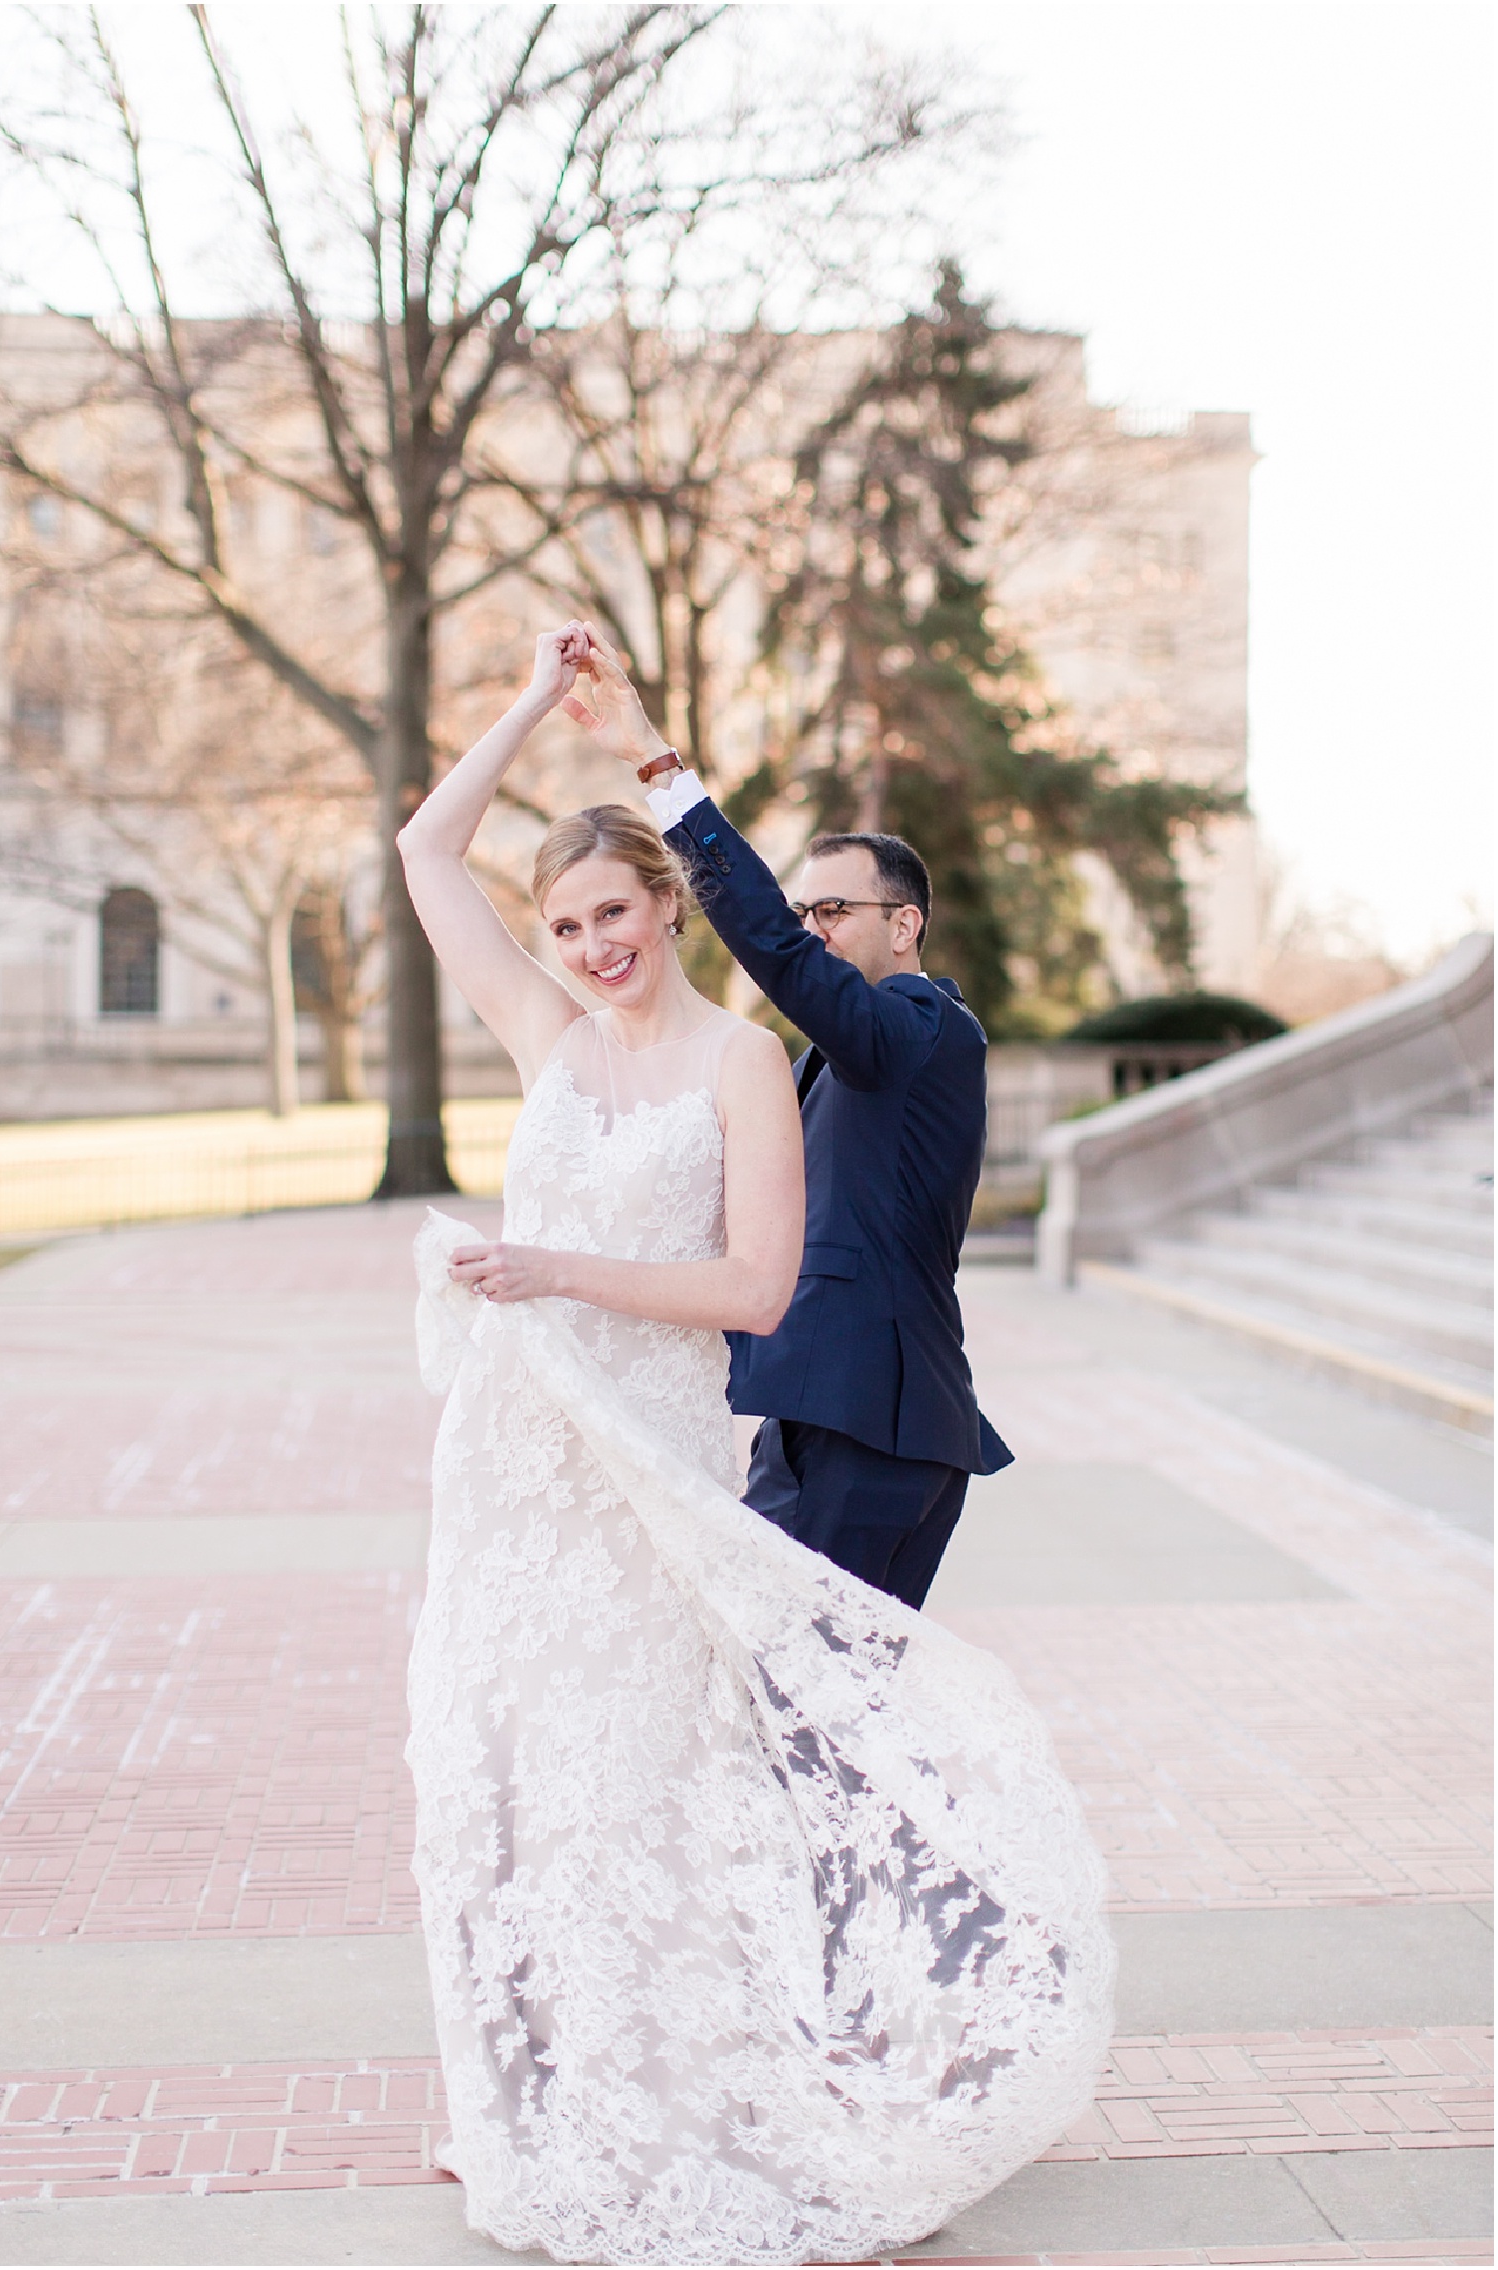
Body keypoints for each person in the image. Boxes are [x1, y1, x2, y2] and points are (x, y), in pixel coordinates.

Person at [396, 622, 1113, 2265]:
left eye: (613, 912)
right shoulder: (551, 1037)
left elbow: (756, 1277)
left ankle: (812, 2048)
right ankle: (535, 2089)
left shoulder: (804, 1046)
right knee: (507, 1775)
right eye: (566, 923)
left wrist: (653, 755)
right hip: (522, 1461)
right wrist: (532, 706)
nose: (588, 943)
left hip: (692, 1444)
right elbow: (428, 851)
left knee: (689, 1764)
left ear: (666, 909)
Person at [559, 624, 1011, 1610]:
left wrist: (653, 761)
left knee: (801, 1707)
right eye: (805, 912)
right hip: (833, 1416)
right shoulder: (838, 1056)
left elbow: (770, 946)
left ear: (905, 925)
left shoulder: (920, 1024)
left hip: (869, 1423)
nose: (810, 930)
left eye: (833, 910)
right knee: (822, 1720)